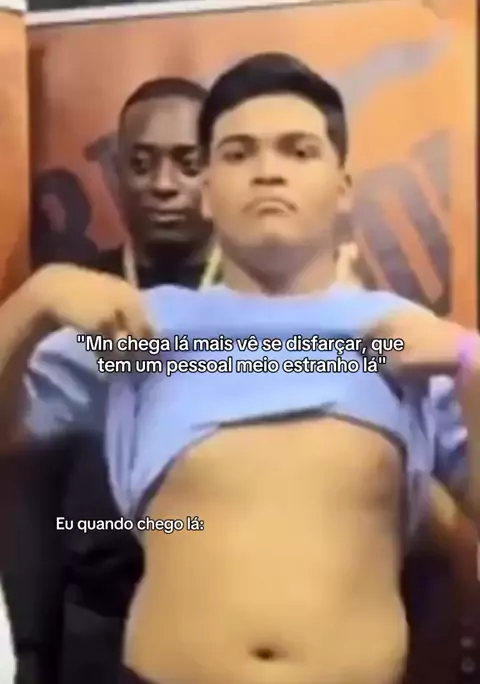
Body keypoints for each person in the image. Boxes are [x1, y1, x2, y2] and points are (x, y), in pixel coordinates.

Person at [0, 52, 478, 684]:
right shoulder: (139, 330)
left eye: (298, 151)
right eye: (238, 153)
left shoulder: (409, 340)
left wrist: (470, 364)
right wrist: (33, 302)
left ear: (343, 188)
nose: (268, 171)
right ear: (207, 189)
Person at [1, 77, 212, 684]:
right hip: (96, 622)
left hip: (223, 619)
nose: (164, 184)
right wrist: (33, 301)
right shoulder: (67, 300)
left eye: (188, 163)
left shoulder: (262, 303)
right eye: (141, 164)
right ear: (115, 174)